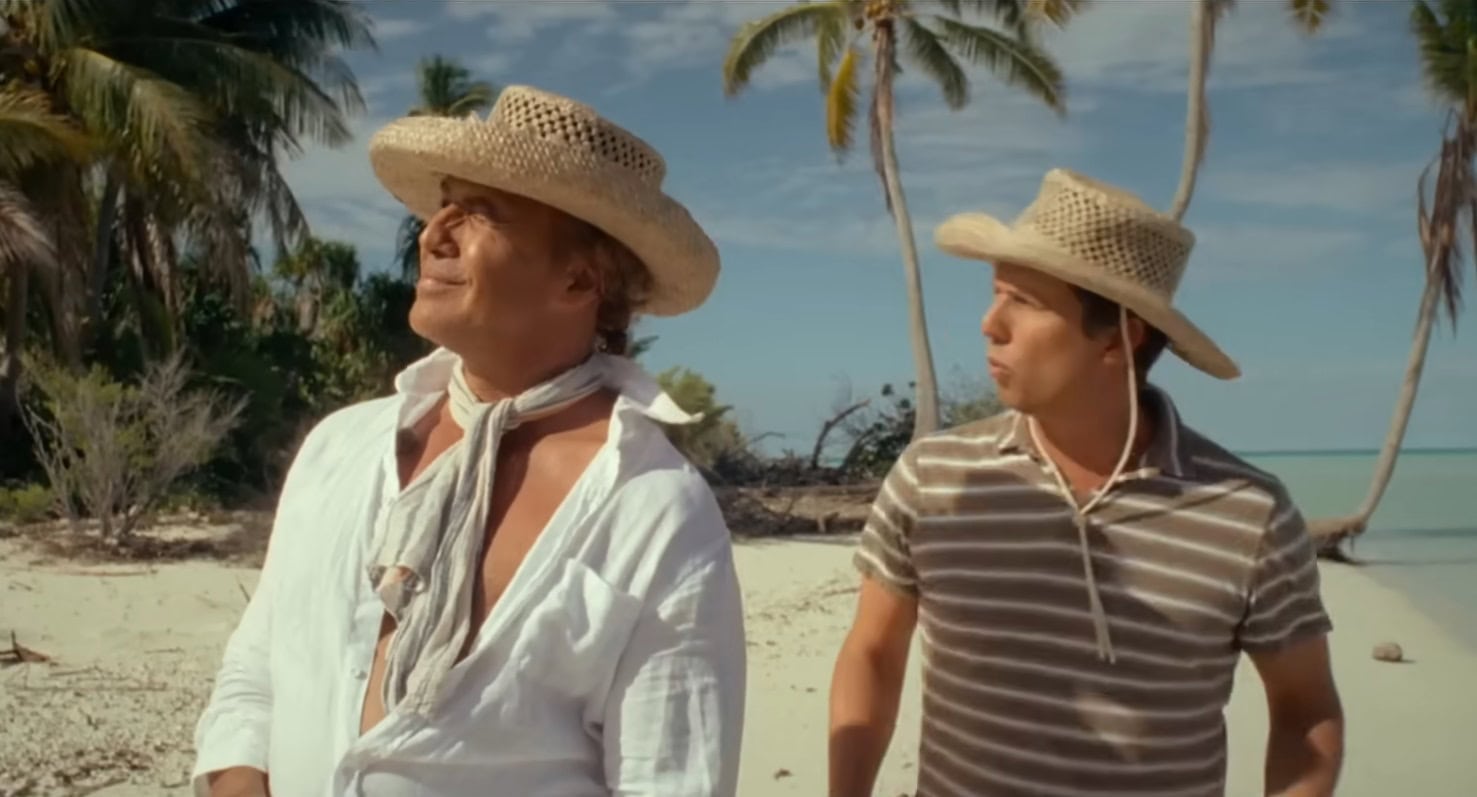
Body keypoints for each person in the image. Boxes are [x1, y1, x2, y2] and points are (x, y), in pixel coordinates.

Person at [192, 85, 745, 797]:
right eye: (443, 203)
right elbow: (258, 668)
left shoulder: (649, 506)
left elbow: (671, 780)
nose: (433, 234)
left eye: (480, 212)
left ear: (580, 279)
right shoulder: (341, 447)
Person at [828, 169, 1343, 796]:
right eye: (996, 294)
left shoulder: (1248, 514)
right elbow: (874, 652)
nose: (991, 324)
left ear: (1120, 339)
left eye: (1025, 301)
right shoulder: (934, 480)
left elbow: (1304, 706)